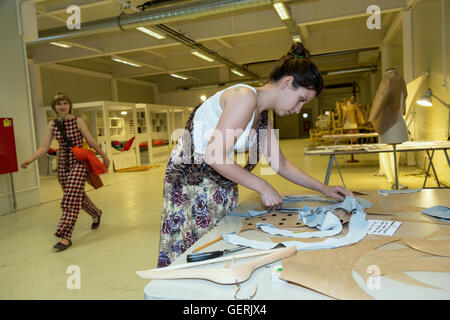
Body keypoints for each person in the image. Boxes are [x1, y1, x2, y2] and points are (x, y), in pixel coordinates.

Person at [157, 43, 353, 268]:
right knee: (194, 250)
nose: (298, 109)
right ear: (288, 83)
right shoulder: (244, 97)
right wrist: (262, 185)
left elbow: (280, 163)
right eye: (301, 99)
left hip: (220, 177)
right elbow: (213, 155)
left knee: (217, 243)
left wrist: (323, 188)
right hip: (192, 179)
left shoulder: (262, 115)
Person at [21, 93, 110, 251]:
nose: (62, 106)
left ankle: (66, 235)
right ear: (54, 107)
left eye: (64, 103)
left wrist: (104, 156)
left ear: (69, 105)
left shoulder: (78, 121)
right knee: (77, 195)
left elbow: (90, 140)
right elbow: (44, 146)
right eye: (58, 104)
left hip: (78, 161)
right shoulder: (52, 125)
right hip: (62, 163)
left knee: (70, 197)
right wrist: (31, 159)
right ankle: (96, 213)